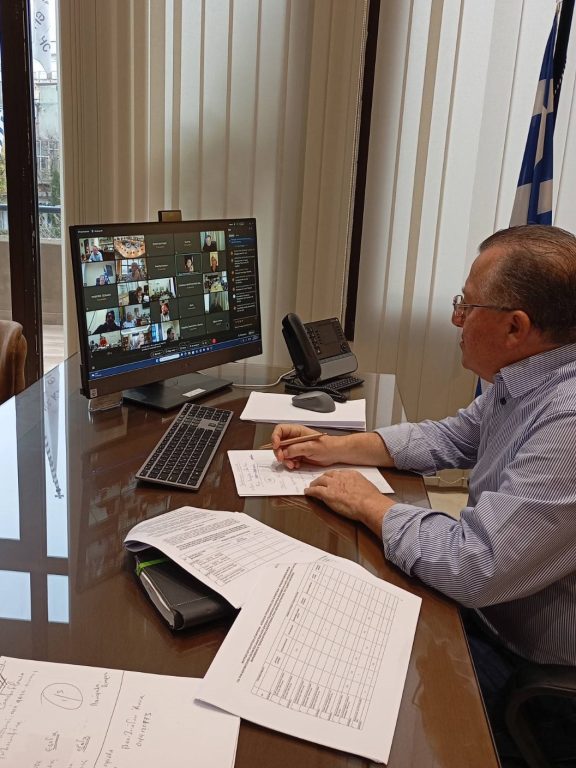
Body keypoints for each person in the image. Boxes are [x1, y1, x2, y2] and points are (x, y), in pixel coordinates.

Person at [271, 224, 576, 766]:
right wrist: (334, 447)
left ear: (515, 327)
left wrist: (371, 504)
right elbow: (453, 436)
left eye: (467, 305)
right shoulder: (530, 379)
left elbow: (475, 565)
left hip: (533, 680)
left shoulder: (568, 420)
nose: (457, 319)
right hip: (495, 614)